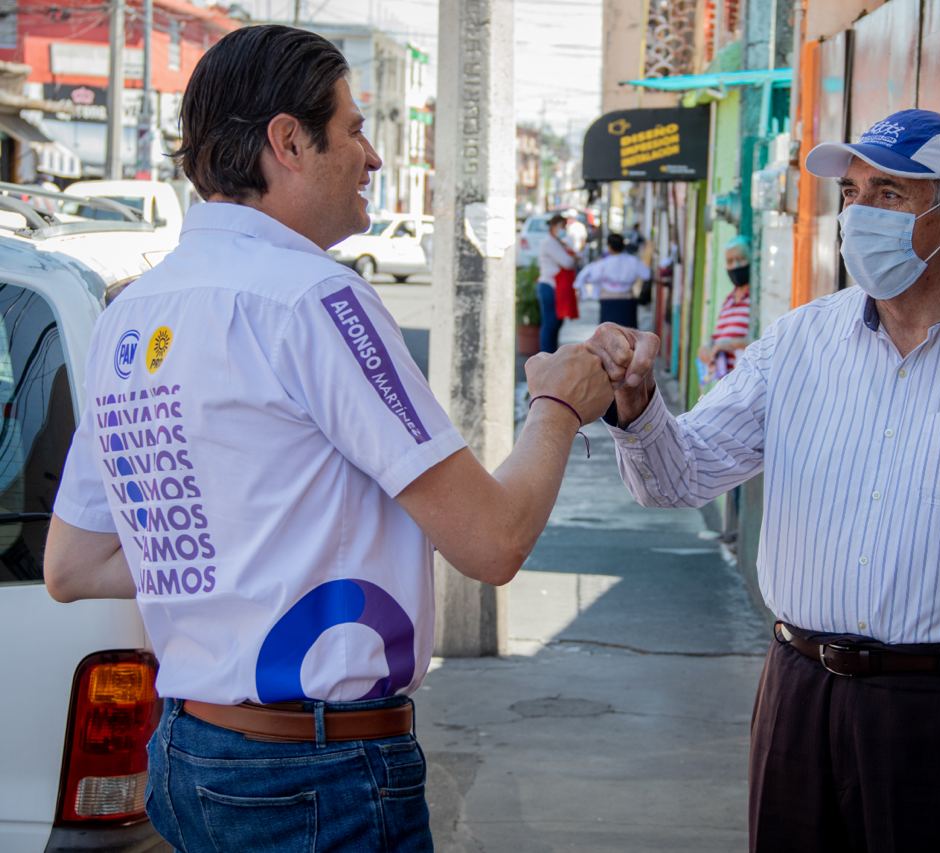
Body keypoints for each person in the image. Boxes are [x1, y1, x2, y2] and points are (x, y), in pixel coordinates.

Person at [42, 25, 612, 853]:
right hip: (315, 772)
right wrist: (558, 403)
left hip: (189, 755)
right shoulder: (314, 299)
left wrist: (253, 550)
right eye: (352, 128)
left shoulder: (132, 307)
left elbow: (75, 563)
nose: (373, 157)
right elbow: (492, 541)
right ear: (287, 141)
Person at [585, 109, 940, 853]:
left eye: (889, 194)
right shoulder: (800, 343)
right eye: (853, 193)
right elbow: (683, 475)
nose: (859, 215)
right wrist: (638, 409)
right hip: (800, 696)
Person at [697, 236, 752, 381]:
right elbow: (715, 338)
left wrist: (730, 345)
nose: (735, 265)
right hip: (726, 385)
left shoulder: (755, 299)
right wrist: (706, 349)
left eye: (741, 259)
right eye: (730, 261)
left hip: (746, 382)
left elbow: (762, 340)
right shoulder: (728, 301)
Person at [576, 232, 651, 328]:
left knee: (608, 335)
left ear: (609, 247)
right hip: (627, 301)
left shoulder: (603, 263)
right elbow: (647, 275)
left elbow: (591, 277)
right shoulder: (633, 261)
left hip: (608, 301)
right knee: (628, 335)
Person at [537, 212, 577, 352]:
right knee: (550, 324)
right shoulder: (549, 243)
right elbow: (568, 262)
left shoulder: (558, 242)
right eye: (561, 226)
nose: (563, 230)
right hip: (549, 286)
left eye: (564, 227)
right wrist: (573, 258)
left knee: (556, 323)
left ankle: (550, 355)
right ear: (553, 226)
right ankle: (546, 356)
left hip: (556, 287)